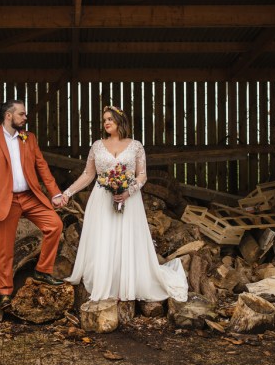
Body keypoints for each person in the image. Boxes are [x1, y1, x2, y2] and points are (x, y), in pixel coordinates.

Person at [61, 105, 188, 303]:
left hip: (129, 199)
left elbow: (142, 175)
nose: (107, 123)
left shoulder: (136, 145)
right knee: (104, 238)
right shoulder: (97, 145)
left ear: (121, 121)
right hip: (102, 198)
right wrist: (67, 193)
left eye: (110, 119)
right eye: (104, 120)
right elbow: (88, 175)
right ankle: (106, 282)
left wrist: (128, 191)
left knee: (126, 238)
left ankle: (126, 283)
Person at [0, 100, 64, 310]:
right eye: (22, 114)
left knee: (55, 225)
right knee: (5, 249)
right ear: (8, 116)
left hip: (30, 196)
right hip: (3, 199)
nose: (25, 118)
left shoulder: (29, 137)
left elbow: (42, 166)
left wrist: (55, 193)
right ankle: (5, 293)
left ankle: (42, 271)